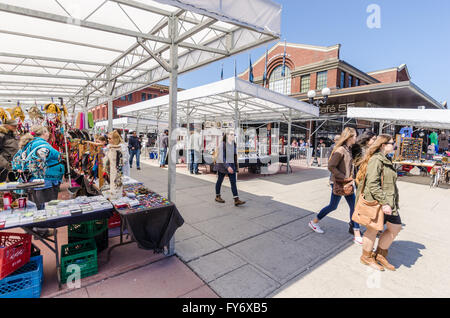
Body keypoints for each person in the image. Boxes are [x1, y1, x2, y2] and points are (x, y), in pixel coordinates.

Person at [309, 127, 362, 245]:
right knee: (333, 206)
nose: (356, 138)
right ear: (349, 137)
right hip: (339, 183)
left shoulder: (348, 149)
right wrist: (343, 176)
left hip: (346, 183)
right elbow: (331, 166)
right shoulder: (341, 150)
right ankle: (314, 222)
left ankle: (357, 233)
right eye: (354, 136)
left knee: (354, 207)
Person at [355, 134, 401, 271]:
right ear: (383, 145)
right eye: (392, 143)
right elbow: (372, 184)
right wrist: (384, 202)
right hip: (379, 202)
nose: (395, 146)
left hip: (389, 202)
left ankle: (380, 254)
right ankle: (366, 257)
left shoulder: (385, 158)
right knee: (373, 230)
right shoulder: (376, 160)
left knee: (396, 227)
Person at [13, 126, 65, 237]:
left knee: (36, 205)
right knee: (47, 205)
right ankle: (43, 230)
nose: (49, 134)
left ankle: (37, 229)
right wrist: (37, 172)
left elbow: (16, 160)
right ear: (42, 133)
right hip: (46, 181)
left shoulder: (29, 144)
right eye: (47, 132)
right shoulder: (42, 145)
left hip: (35, 182)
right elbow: (39, 159)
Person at [214, 130, 245, 206]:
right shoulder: (223, 144)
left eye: (233, 134)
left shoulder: (233, 144)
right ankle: (217, 196)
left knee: (233, 182)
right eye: (231, 134)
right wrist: (227, 167)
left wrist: (234, 167)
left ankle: (236, 199)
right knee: (220, 181)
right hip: (222, 166)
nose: (233, 136)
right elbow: (222, 157)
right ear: (227, 135)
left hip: (231, 166)